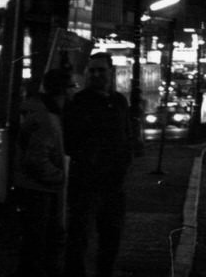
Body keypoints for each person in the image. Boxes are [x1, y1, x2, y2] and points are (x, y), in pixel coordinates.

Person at [64, 52, 142, 277]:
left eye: (101, 70)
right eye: (92, 70)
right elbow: (71, 140)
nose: (96, 75)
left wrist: (125, 160)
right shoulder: (80, 102)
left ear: (111, 72)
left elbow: (126, 134)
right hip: (86, 179)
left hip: (113, 181)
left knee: (111, 233)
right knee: (79, 234)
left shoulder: (119, 101)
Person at [14, 67, 74, 277]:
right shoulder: (47, 119)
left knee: (34, 244)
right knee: (42, 243)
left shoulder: (36, 110)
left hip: (32, 187)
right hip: (41, 191)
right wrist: (60, 178)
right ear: (63, 91)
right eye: (70, 89)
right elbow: (37, 160)